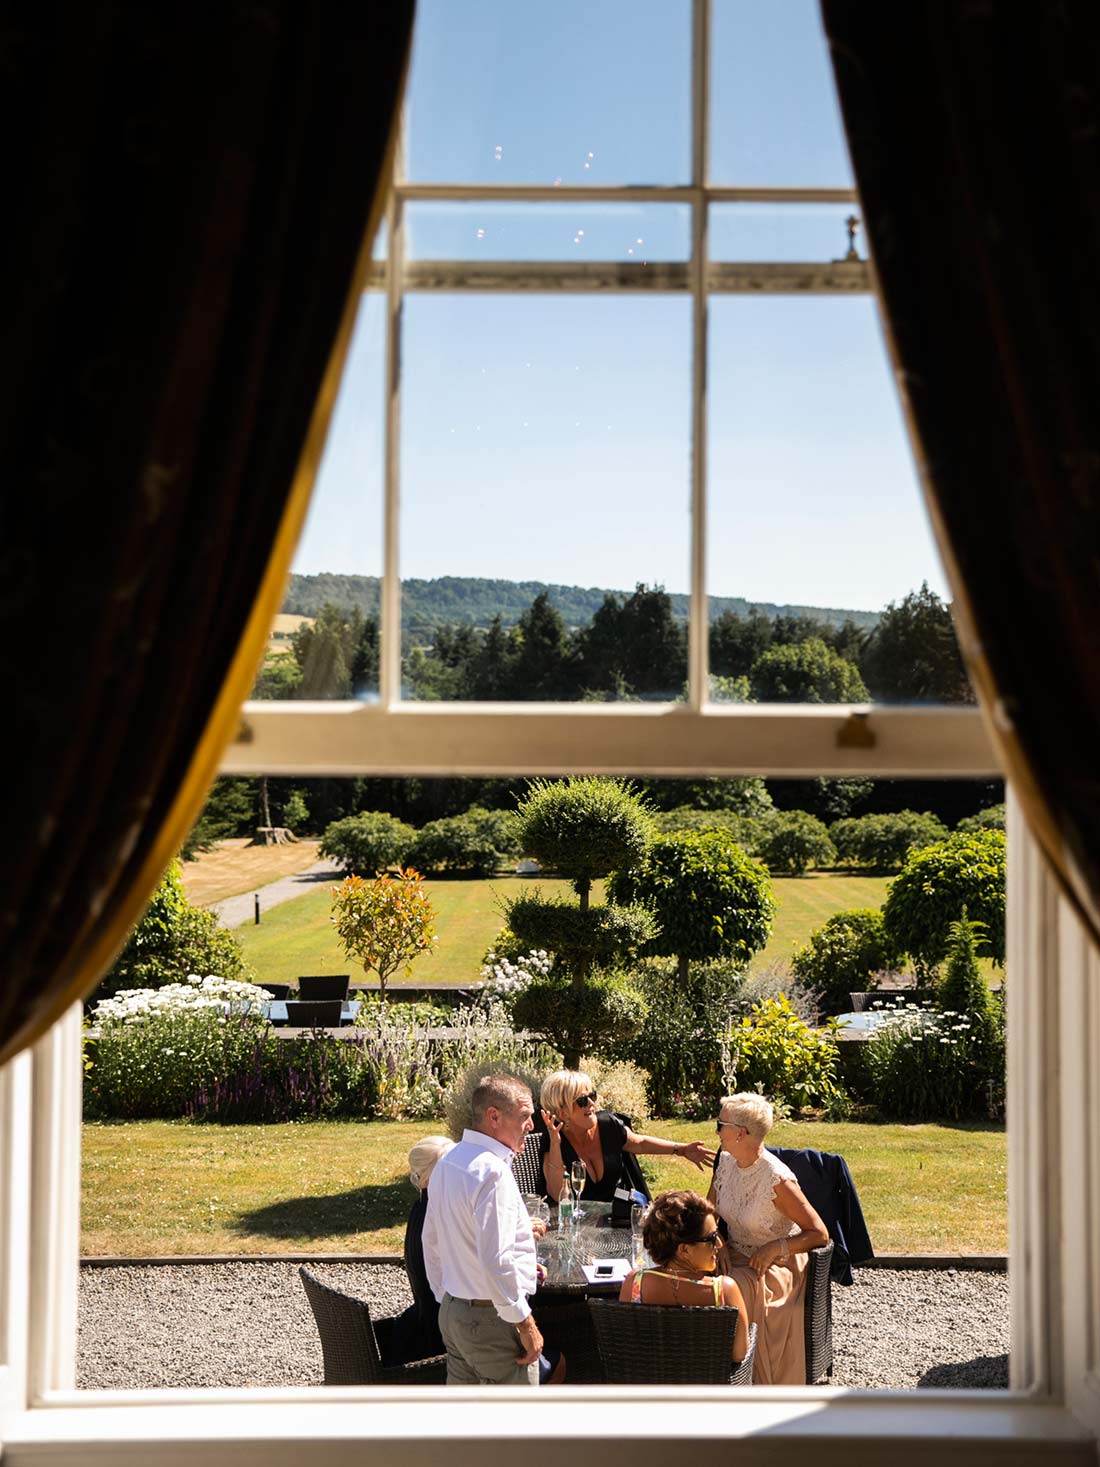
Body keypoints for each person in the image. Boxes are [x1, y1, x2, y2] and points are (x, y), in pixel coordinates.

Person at [422, 1074, 546, 1385]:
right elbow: (496, 1259)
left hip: (454, 1314)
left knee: (465, 1427)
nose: (531, 1126)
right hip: (490, 1319)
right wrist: (524, 1322)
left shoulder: (449, 1162)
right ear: (494, 1116)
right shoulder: (493, 1172)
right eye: (525, 1117)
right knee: (515, 1428)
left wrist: (449, 1297)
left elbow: (431, 1242)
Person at [707, 1092, 829, 1385]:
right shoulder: (726, 1162)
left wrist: (777, 1246)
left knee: (725, 1289)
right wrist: (716, 1239)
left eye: (719, 1123)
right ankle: (703, 1369)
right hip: (734, 1252)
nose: (716, 1130)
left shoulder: (777, 1180)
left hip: (775, 1265)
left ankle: (739, 1376)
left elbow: (820, 1234)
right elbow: (708, 1210)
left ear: (740, 1133)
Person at [539, 1068, 715, 1204]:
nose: (592, 1104)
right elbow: (557, 1195)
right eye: (582, 1101)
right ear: (563, 1113)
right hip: (580, 1228)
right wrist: (555, 1144)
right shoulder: (555, 1142)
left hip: (618, 1220)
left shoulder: (608, 1125)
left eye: (592, 1095)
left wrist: (681, 1149)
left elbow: (640, 1143)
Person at [618, 1189, 750, 1364]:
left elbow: (624, 1346)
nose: (719, 1244)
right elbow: (739, 1354)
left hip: (648, 1388)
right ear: (684, 1250)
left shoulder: (634, 1283)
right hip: (706, 1388)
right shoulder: (724, 1290)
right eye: (711, 1238)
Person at [380, 1135, 454, 1368]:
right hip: (441, 1336)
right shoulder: (437, 1219)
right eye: (450, 1169)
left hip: (423, 1318)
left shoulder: (421, 1208)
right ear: (432, 1178)